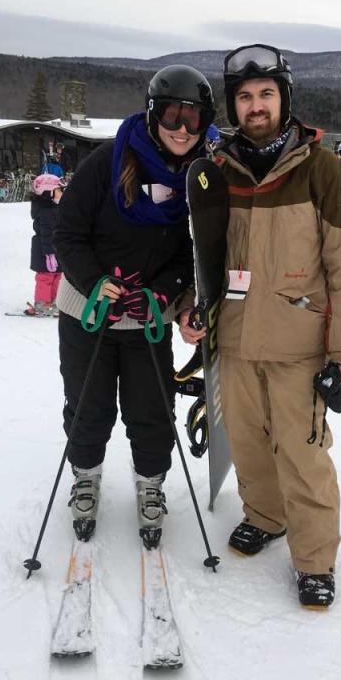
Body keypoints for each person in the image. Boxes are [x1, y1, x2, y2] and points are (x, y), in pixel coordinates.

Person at [179, 44, 341, 609]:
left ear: (284, 100)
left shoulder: (324, 171)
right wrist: (194, 307)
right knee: (246, 442)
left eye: (265, 94)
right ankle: (264, 515)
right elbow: (205, 258)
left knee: (302, 452)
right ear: (233, 107)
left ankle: (314, 559)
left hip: (298, 343)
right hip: (234, 340)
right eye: (244, 97)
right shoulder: (216, 173)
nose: (255, 106)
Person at [52, 65, 212, 548]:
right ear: (152, 113)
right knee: (88, 407)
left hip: (147, 318)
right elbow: (68, 233)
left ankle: (151, 486)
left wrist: (165, 294)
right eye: (172, 114)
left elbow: (189, 251)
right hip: (88, 312)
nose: (182, 128)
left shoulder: (197, 177)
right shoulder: (107, 162)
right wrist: (94, 281)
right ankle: (85, 477)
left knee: (151, 408)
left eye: (194, 118)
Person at [27, 172, 65, 316]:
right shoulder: (46, 212)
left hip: (56, 250)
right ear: (48, 193)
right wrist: (49, 254)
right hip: (45, 251)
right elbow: (47, 234)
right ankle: (42, 303)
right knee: (45, 277)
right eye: (59, 190)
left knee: (57, 276)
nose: (62, 193)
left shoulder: (54, 208)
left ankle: (54, 301)